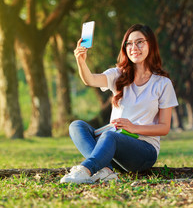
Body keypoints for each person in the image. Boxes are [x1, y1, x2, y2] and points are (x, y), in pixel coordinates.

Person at [60, 24, 178, 184]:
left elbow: (164, 127)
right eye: (129, 43)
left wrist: (134, 128)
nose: (133, 47)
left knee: (111, 136)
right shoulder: (117, 74)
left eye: (139, 42)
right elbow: (90, 80)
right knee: (76, 126)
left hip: (144, 151)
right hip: (113, 147)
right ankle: (106, 170)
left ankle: (85, 170)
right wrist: (81, 61)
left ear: (151, 44)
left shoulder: (162, 84)